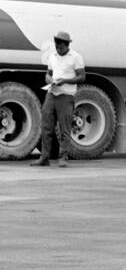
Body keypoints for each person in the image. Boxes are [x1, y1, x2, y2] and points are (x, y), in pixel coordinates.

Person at [32, 31, 85, 168]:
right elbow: (48, 74)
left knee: (64, 128)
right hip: (51, 94)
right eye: (56, 44)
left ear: (67, 45)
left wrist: (66, 81)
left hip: (66, 96)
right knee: (46, 127)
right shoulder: (52, 57)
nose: (58, 47)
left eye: (60, 45)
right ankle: (44, 157)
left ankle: (63, 157)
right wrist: (50, 80)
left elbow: (81, 77)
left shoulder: (76, 57)